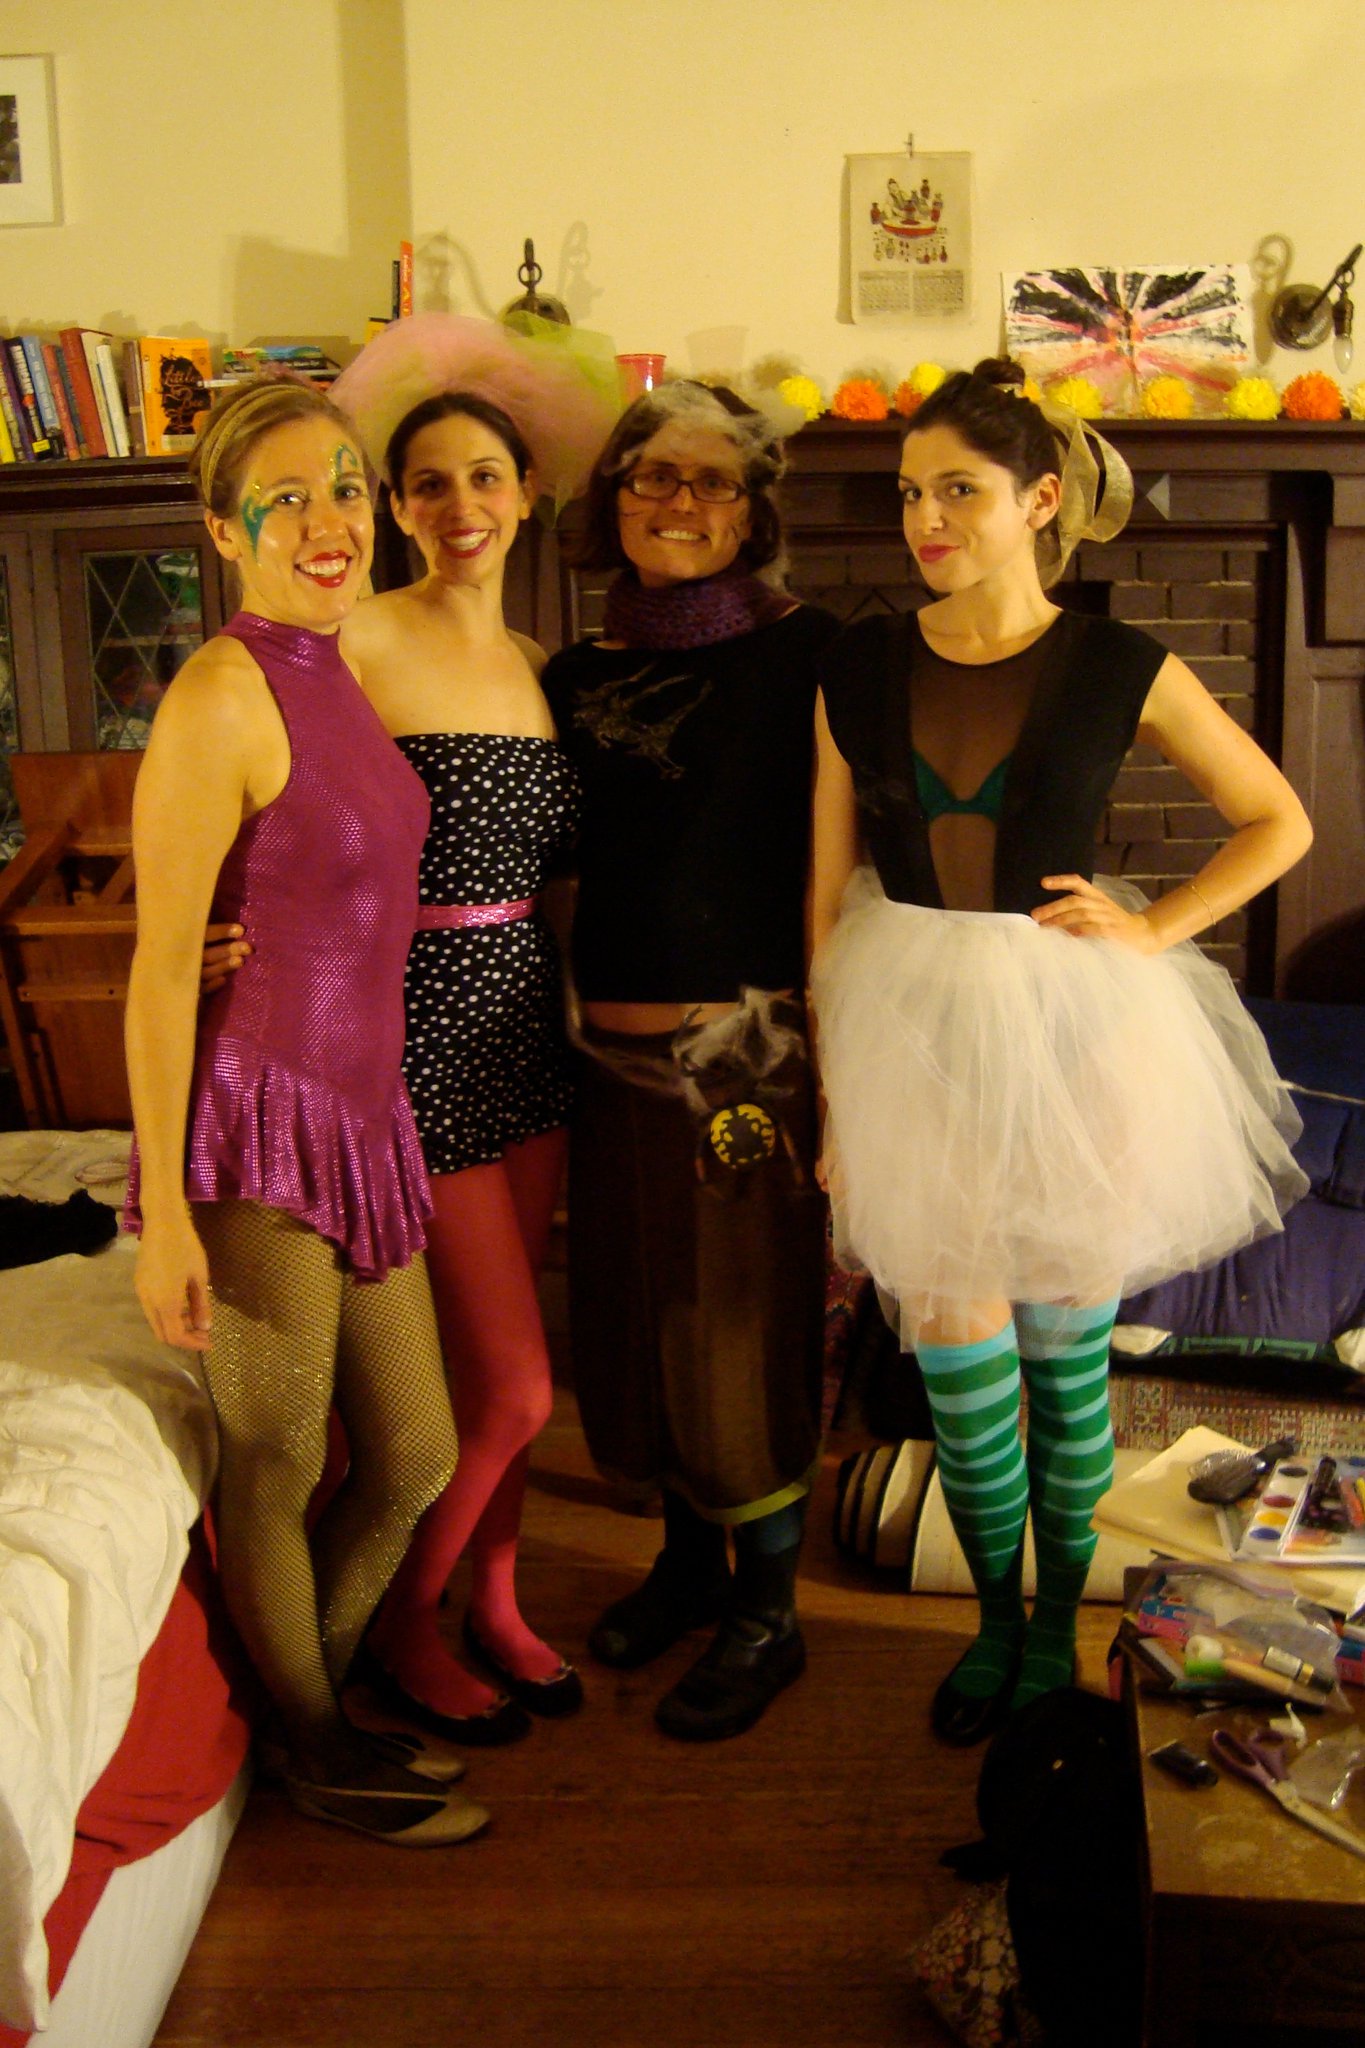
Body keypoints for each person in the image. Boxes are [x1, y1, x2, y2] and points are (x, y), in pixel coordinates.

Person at [808, 358, 1312, 1745]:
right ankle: (993, 1624)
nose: (925, 520)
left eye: (958, 491)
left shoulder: (1118, 663)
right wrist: (835, 1090)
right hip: (907, 1029)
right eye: (910, 493)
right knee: (962, 1380)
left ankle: (1049, 1633)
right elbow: (823, 894)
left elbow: (1278, 820)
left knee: (1064, 1364)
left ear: (1039, 502)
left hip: (1078, 1038)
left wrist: (1152, 932)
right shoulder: (854, 667)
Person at [209, 316, 617, 1743]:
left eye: (483, 478)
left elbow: (555, 875)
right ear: (392, 505)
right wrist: (220, 927)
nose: (459, 506)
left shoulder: (539, 662)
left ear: (526, 493)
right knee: (509, 1385)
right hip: (407, 1039)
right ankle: (399, 1619)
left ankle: (491, 1602)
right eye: (427, 483)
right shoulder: (350, 642)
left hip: (526, 1034)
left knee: (497, 1378)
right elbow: (268, 800)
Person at [124, 376, 484, 1844]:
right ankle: (321, 1745)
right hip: (254, 1127)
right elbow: (160, 970)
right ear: (225, 532)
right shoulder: (219, 693)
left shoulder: (337, 666)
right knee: (275, 1459)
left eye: (345, 485)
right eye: (287, 500)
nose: (331, 520)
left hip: (361, 1116)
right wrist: (161, 1217)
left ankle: (300, 1713)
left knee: (415, 1455)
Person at [541, 380, 840, 1741]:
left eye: (713, 479)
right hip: (604, 1059)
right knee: (633, 1319)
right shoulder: (572, 677)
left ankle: (768, 1608)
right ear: (611, 498)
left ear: (755, 509)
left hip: (745, 1062)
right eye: (651, 475)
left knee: (737, 1329)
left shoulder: (813, 654)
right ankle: (685, 1566)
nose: (678, 501)